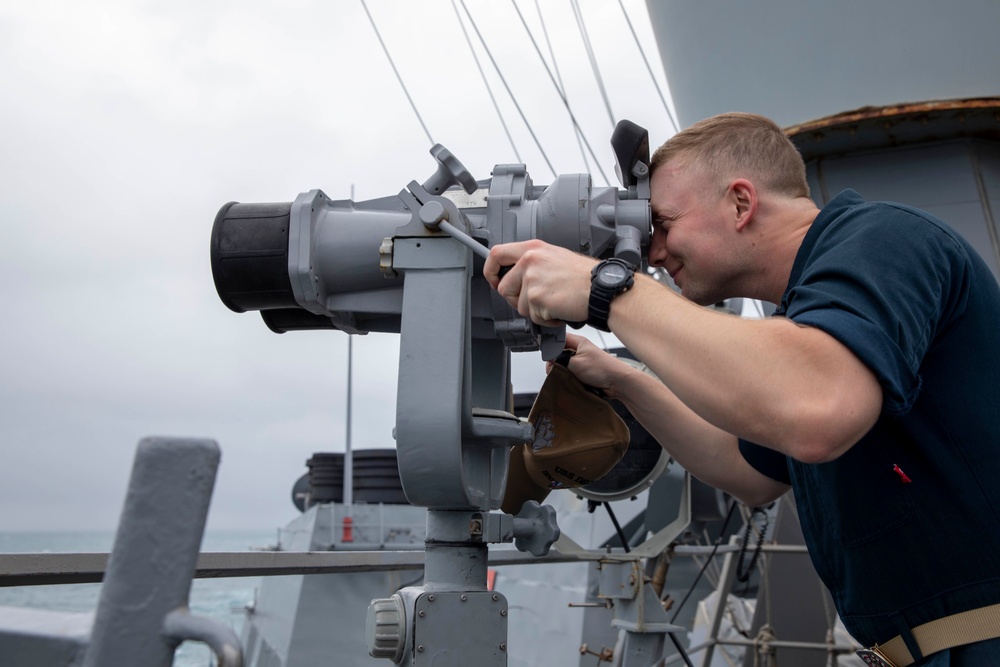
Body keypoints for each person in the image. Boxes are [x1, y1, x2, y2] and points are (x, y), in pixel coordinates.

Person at [483, 112, 1000, 667]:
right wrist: (622, 380)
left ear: (740, 203)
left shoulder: (882, 240)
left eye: (663, 223)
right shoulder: (808, 317)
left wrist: (607, 289)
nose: (652, 252)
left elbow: (818, 408)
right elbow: (747, 471)